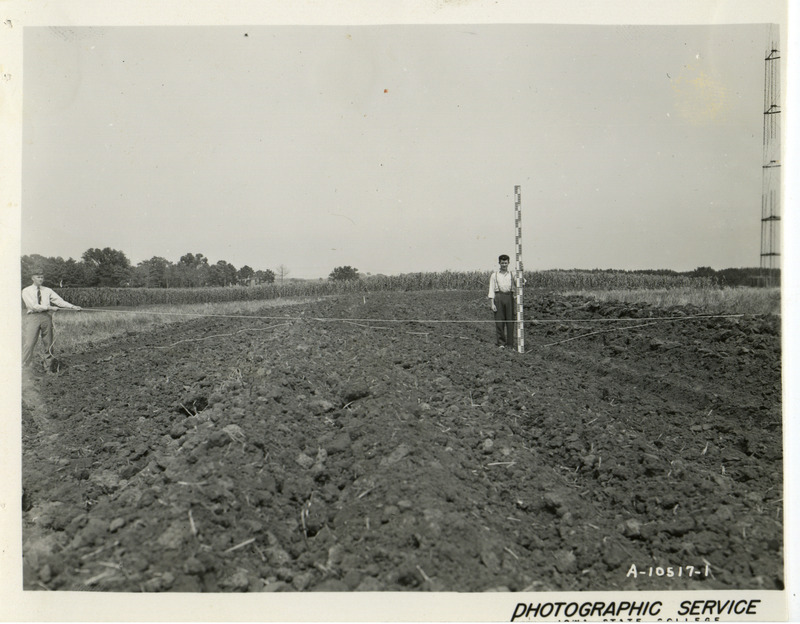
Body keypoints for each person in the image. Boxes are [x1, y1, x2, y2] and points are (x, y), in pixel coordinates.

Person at [21, 266, 82, 371]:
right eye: (38, 277)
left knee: (48, 344)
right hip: (33, 317)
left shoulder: (47, 290)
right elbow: (33, 306)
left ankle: (48, 368)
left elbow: (59, 301)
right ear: (32, 278)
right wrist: (49, 307)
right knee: (29, 343)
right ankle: (23, 366)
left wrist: (73, 307)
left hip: (46, 317)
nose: (40, 279)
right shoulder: (26, 290)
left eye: (42, 277)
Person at [488, 254, 516, 349]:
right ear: (499, 263)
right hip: (498, 297)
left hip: (509, 297)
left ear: (508, 263)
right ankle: (501, 343)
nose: (504, 264)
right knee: (499, 321)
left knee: (510, 321)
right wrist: (492, 303)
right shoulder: (494, 275)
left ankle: (510, 344)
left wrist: (520, 271)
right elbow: (491, 290)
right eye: (502, 263)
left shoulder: (513, 274)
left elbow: (522, 282)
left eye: (506, 263)